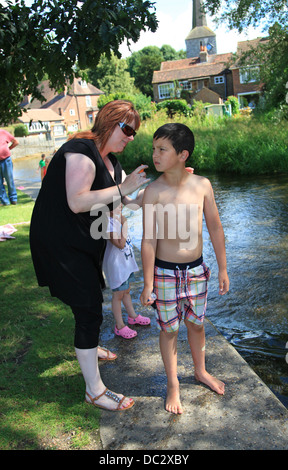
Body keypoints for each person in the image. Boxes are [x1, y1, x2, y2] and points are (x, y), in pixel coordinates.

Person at [30, 100, 149, 411]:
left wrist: (140, 200)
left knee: (90, 297)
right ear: (109, 122)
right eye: (127, 129)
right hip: (59, 241)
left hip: (84, 240)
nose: (131, 136)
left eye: (134, 132)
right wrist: (124, 190)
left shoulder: (113, 164)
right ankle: (94, 391)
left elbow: (114, 207)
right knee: (89, 308)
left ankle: (91, 345)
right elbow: (78, 201)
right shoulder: (82, 151)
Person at [140, 123, 229, 415]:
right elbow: (149, 240)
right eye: (154, 148)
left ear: (182, 154)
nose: (155, 154)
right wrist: (148, 284)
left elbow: (215, 227)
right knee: (169, 330)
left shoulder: (201, 185)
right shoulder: (153, 191)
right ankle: (173, 383)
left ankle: (201, 371)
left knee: (197, 324)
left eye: (162, 149)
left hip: (196, 271)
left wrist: (223, 269)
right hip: (164, 273)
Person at [103, 203, 150, 339]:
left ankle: (133, 316)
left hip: (125, 264)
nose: (121, 206)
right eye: (117, 206)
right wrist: (125, 224)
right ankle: (119, 326)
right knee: (118, 295)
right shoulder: (108, 224)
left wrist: (122, 222)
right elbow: (120, 244)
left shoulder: (117, 219)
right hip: (117, 266)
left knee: (127, 290)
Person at [0, 129, 19, 205]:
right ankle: (5, 202)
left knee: (9, 180)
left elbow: (16, 142)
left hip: (6, 160)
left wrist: (8, 149)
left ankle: (13, 199)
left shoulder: (3, 132)